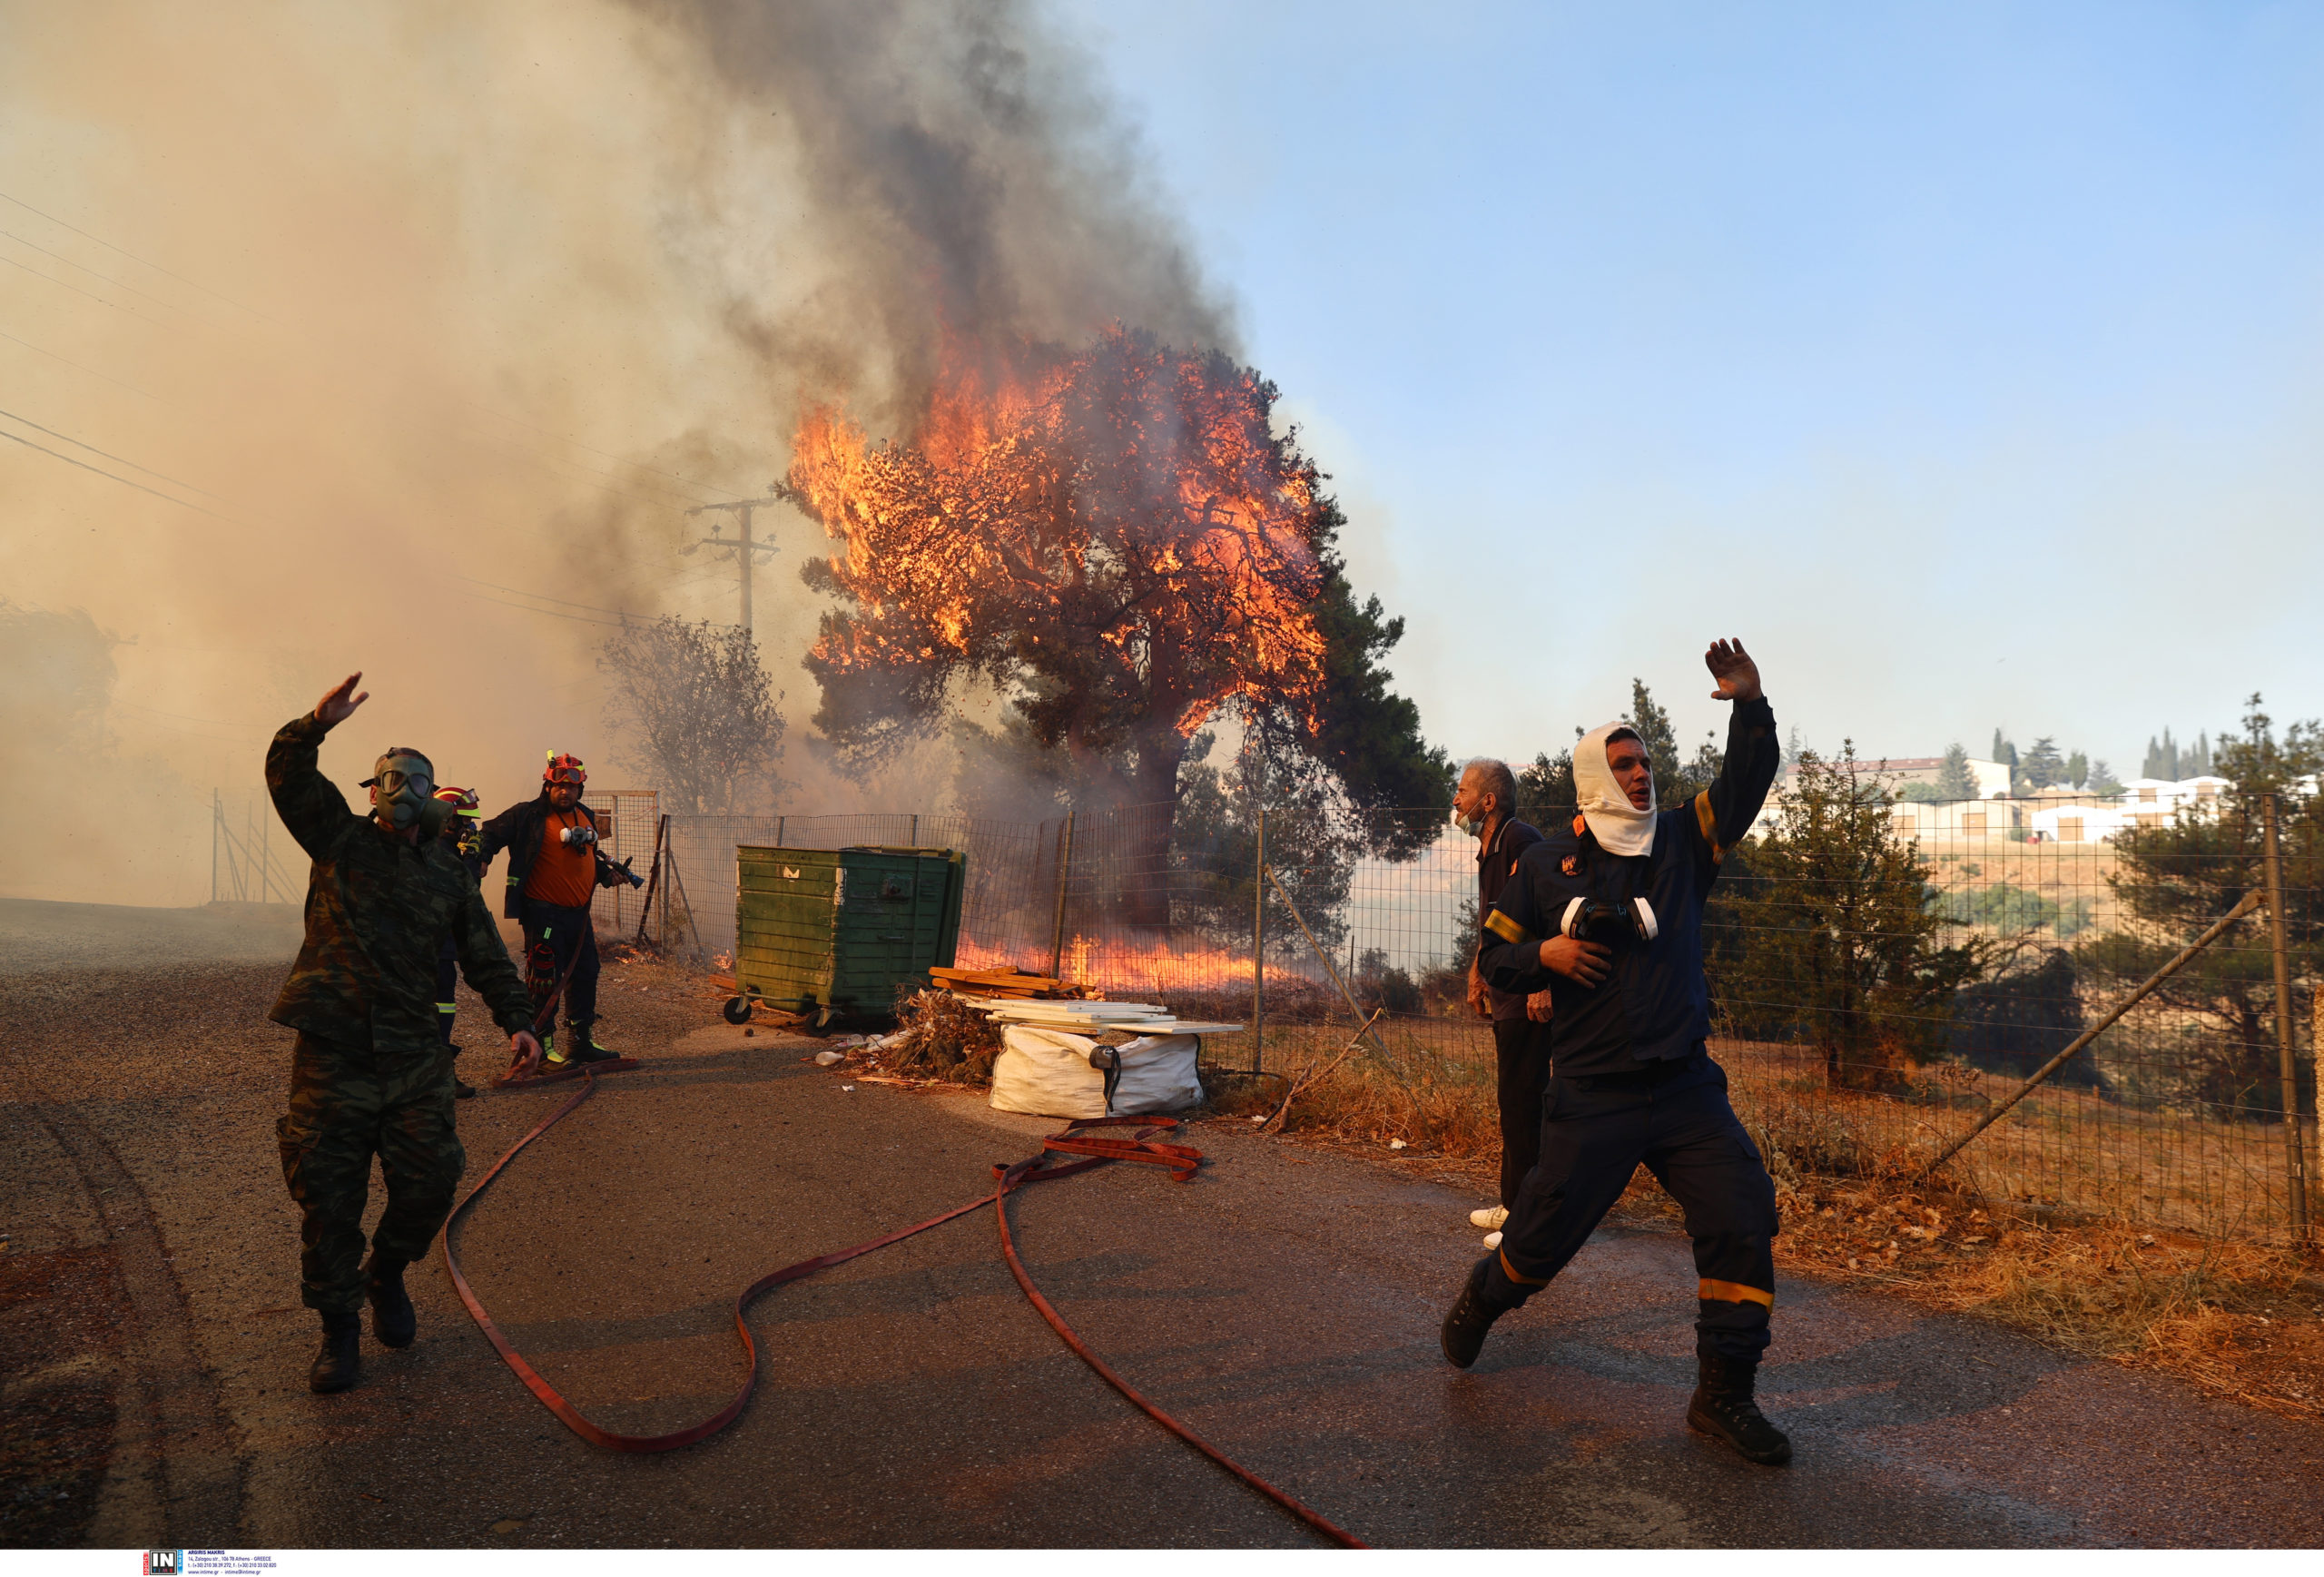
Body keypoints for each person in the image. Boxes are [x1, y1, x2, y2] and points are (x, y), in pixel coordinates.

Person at [1439, 638, 1791, 1467]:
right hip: (1592, 1095)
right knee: (1536, 1248)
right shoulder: (1539, 863)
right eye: (1625, 764)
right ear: (1595, 775)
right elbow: (1493, 962)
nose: (1642, 775)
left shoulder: (1682, 841)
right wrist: (1544, 958)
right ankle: (1484, 1299)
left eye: (1646, 763)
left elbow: (1745, 784)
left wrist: (1750, 703)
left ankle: (1723, 1394)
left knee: (1741, 1213)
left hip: (1683, 1087)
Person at [266, 674, 542, 1395]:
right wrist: (313, 725)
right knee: (329, 1200)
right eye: (388, 778)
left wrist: (518, 1019)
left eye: (413, 780)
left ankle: (385, 1273)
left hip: (415, 1052)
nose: (399, 788)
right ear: (371, 789)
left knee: (429, 1184)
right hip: (334, 1048)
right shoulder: (338, 840)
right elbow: (289, 778)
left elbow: (484, 951)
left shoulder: (449, 872)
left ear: (429, 794)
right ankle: (339, 1329)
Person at [479, 751, 641, 1069]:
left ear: (581, 788)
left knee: (585, 974)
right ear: (547, 786)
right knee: (544, 978)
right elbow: (489, 833)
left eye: (572, 787)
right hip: (544, 914)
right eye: (558, 786)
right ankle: (542, 1046)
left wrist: (609, 875)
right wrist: (482, 857)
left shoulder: (585, 816)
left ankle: (580, 1043)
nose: (565, 792)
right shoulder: (528, 816)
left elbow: (586, 860)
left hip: (578, 917)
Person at [1452, 758, 1555, 1250]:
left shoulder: (1521, 840)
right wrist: (1477, 973)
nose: (1456, 799)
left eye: (1463, 790)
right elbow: (1495, 923)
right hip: (1506, 989)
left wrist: (1542, 983)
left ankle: (1527, 1220)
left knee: (1524, 1103)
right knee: (1513, 1100)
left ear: (1487, 802)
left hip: (1528, 993)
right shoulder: (1489, 849)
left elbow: (1549, 906)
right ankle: (1513, 1202)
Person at [429, 784, 487, 1098]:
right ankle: (437, 1078)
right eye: (463, 821)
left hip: (439, 946)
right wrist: (472, 857)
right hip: (433, 947)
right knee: (437, 1008)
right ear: (446, 819)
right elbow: (463, 888)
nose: (468, 826)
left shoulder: (441, 846)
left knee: (442, 1006)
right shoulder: (436, 850)